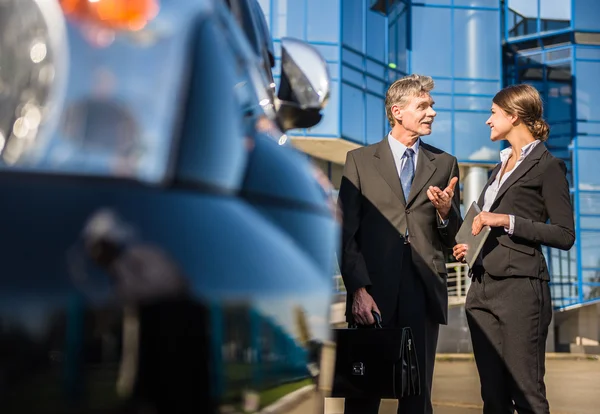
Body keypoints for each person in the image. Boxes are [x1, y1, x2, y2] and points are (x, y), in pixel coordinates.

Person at [338, 74, 461, 414]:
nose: (432, 113)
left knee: (417, 397)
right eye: (423, 106)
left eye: (432, 106)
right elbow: (346, 234)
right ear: (398, 111)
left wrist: (445, 213)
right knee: (363, 396)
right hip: (373, 294)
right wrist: (358, 290)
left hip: (423, 292)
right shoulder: (359, 161)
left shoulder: (445, 164)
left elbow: (454, 238)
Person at [453, 84, 575, 414]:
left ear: (513, 115)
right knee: (493, 399)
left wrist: (506, 219)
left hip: (520, 290)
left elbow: (564, 234)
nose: (488, 121)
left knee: (527, 395)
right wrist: (468, 245)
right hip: (480, 292)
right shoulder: (498, 168)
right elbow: (482, 225)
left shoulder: (548, 167)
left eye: (493, 113)